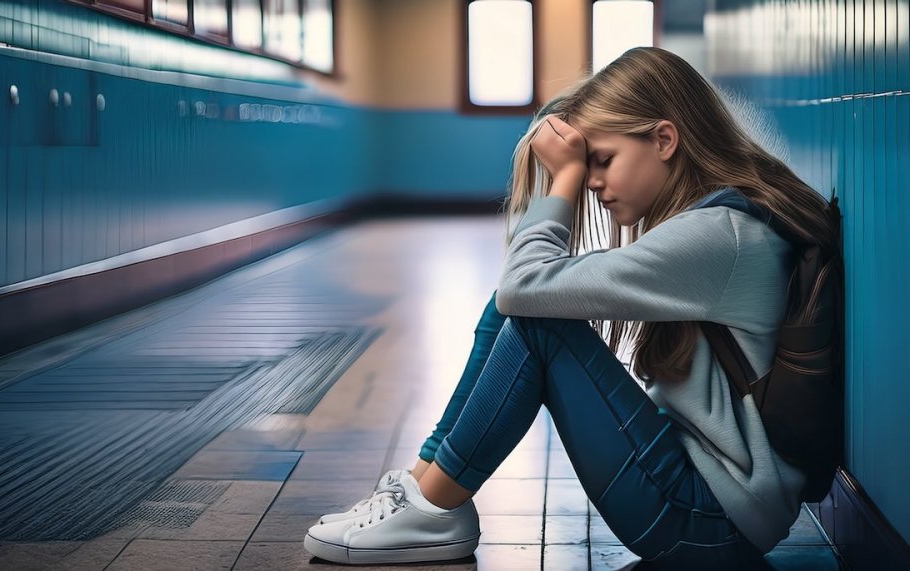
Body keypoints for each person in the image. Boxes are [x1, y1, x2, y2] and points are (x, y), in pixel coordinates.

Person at [303, 47, 837, 569]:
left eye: (601, 162)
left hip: (708, 522)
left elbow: (525, 286)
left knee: (537, 322)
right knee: (517, 307)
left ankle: (435, 506)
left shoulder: (720, 234)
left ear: (665, 139)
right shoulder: (720, 222)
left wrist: (560, 180)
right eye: (585, 170)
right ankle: (422, 491)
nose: (593, 184)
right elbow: (517, 291)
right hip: (701, 505)